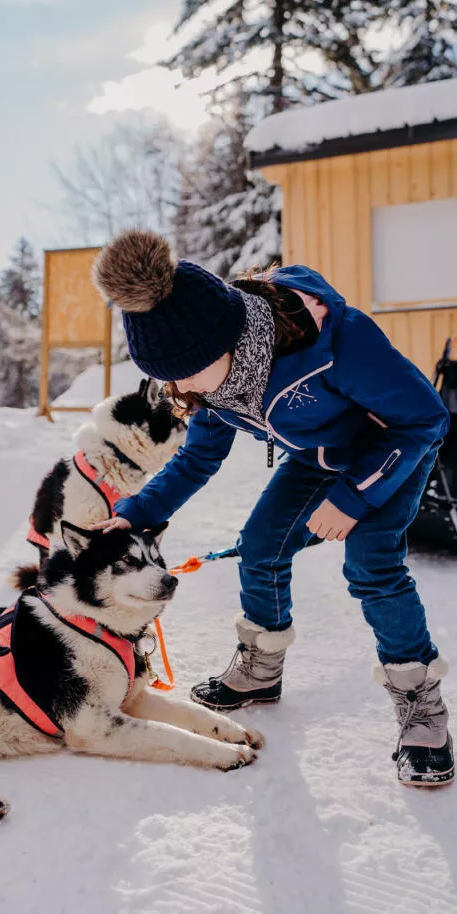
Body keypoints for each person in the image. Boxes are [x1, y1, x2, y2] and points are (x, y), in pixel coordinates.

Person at [91, 228, 453, 788]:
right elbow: (196, 460)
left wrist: (353, 499)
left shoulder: (336, 341)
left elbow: (426, 418)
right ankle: (260, 668)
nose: (180, 390)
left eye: (182, 373)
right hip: (322, 457)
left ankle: (421, 706)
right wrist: (136, 512)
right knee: (261, 545)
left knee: (372, 565)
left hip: (392, 449)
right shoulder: (212, 384)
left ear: (219, 343)